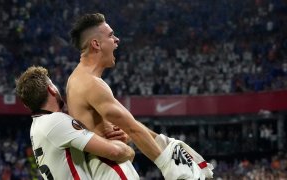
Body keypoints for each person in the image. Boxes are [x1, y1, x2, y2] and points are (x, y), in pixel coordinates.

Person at [66, 13, 200, 180]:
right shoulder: (91, 84)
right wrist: (170, 166)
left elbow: (129, 125)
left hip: (103, 166)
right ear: (96, 44)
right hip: (110, 167)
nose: (116, 40)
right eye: (110, 35)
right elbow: (132, 128)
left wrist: (164, 142)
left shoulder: (79, 79)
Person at [15, 66, 135, 180]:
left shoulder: (37, 126)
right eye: (53, 84)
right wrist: (130, 152)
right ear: (51, 88)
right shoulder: (56, 121)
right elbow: (114, 152)